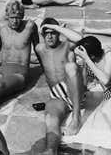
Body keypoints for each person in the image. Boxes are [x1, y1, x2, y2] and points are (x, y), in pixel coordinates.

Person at [34, 18, 85, 154]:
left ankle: (76, 116)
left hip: (75, 91)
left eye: (53, 32)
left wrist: (55, 26)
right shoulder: (40, 49)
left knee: (71, 67)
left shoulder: (67, 46)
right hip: (57, 96)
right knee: (51, 120)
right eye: (47, 33)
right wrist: (45, 30)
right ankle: (51, 150)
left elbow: (79, 38)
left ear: (59, 33)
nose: (50, 36)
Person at [0, 0, 39, 110]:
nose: (14, 21)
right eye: (12, 18)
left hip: (20, 73)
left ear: (22, 16)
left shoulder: (30, 26)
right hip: (3, 70)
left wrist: (45, 66)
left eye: (18, 17)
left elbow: (38, 48)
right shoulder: (1, 26)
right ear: (7, 16)